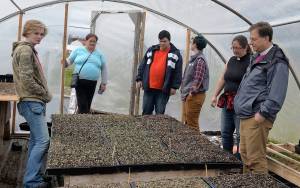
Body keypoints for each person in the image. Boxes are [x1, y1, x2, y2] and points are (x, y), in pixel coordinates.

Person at [234, 22, 289, 174]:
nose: (251, 43)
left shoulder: (277, 61)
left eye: (254, 39)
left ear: (266, 38)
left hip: (257, 116)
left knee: (255, 160)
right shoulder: (257, 57)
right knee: (245, 155)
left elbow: (277, 92)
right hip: (246, 114)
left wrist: (262, 113)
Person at [12, 19, 52, 188]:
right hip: (31, 101)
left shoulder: (27, 50)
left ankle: (33, 176)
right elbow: (27, 80)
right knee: (43, 141)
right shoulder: (25, 51)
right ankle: (31, 181)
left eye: (42, 34)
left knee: (36, 141)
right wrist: (45, 94)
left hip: (32, 101)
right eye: (36, 33)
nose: (40, 37)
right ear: (27, 32)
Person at [211, 35, 251, 156]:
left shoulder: (250, 61)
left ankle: (239, 160)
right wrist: (215, 95)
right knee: (225, 132)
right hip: (227, 101)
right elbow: (223, 78)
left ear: (245, 47)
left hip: (241, 103)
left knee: (240, 134)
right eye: (232, 47)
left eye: (237, 47)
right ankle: (227, 157)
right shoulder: (231, 60)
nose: (234, 50)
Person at [136, 30, 182, 115]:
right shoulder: (151, 50)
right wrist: (139, 79)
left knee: (159, 113)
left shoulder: (175, 53)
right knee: (146, 111)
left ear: (169, 41)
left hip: (163, 90)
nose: (162, 43)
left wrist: (174, 87)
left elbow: (178, 72)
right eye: (160, 41)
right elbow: (142, 65)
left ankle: (157, 128)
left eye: (164, 41)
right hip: (149, 87)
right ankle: (145, 128)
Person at [66, 33, 108, 114]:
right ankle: (82, 123)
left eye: (94, 41)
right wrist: (64, 62)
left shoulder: (99, 54)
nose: (92, 43)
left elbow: (104, 68)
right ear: (86, 41)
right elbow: (69, 61)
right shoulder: (78, 50)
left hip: (92, 83)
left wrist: (104, 83)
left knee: (87, 105)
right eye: (91, 41)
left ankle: (79, 122)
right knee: (83, 105)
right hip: (80, 81)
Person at [181, 35, 209, 131]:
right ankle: (190, 144)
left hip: (194, 95)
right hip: (189, 95)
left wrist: (191, 93)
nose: (191, 44)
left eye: (192, 42)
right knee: (188, 121)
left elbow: (198, 79)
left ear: (195, 44)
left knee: (192, 123)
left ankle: (196, 145)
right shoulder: (194, 59)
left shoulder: (200, 60)